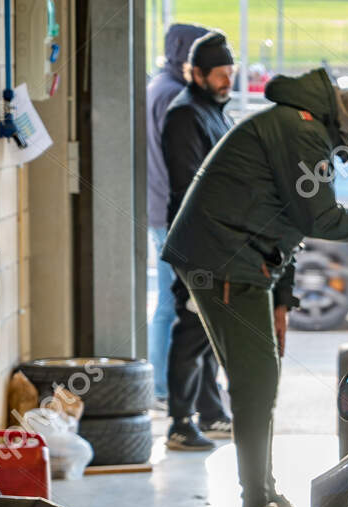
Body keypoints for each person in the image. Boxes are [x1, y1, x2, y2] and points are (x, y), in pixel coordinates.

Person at [163, 68, 348, 507]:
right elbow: (317, 217)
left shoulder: (307, 129)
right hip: (226, 260)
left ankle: (265, 499)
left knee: (261, 384)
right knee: (256, 388)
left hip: (240, 260)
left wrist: (280, 300)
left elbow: (289, 225)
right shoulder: (301, 131)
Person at [162, 30, 236, 453]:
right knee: (191, 327)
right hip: (195, 242)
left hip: (214, 239)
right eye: (220, 74)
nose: (227, 81)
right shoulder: (184, 115)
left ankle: (210, 412)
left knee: (207, 328)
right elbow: (186, 185)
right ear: (197, 74)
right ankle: (178, 421)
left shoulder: (213, 110)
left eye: (230, 73)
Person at [146, 22, 209, 403]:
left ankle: (164, 386)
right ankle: (163, 388)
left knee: (170, 301)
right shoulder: (174, 95)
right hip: (172, 215)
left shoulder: (160, 86)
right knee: (172, 303)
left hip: (161, 210)